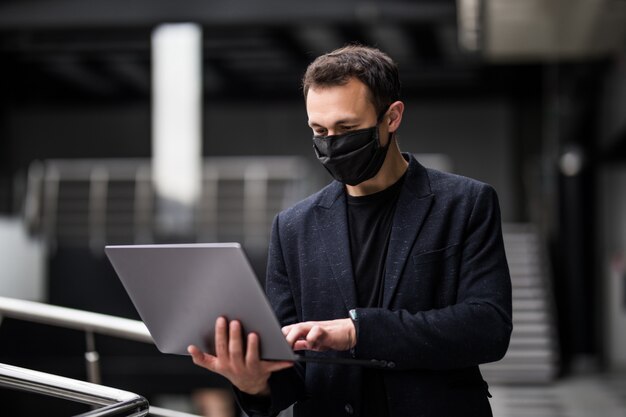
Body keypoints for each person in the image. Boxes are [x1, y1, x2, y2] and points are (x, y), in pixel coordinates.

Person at [188, 45, 512, 417]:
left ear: (391, 117)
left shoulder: (465, 203)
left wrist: (359, 331)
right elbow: (290, 365)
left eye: (347, 128)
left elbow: (488, 327)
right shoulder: (293, 227)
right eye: (319, 130)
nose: (332, 143)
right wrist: (253, 383)